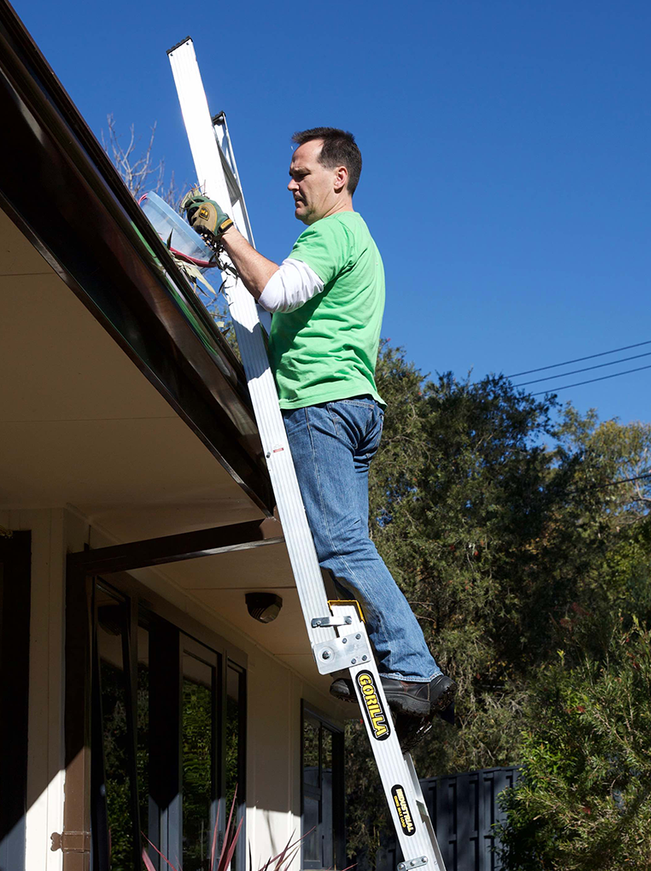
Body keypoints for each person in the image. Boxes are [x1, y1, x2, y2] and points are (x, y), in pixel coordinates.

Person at [183, 127, 454, 719]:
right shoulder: (358, 240)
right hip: (354, 407)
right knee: (347, 542)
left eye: (301, 172)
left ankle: (414, 668)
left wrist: (225, 230)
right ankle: (388, 664)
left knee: (338, 543)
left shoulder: (333, 232)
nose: (290, 183)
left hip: (320, 406)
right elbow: (285, 297)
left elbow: (279, 289)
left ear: (340, 176)